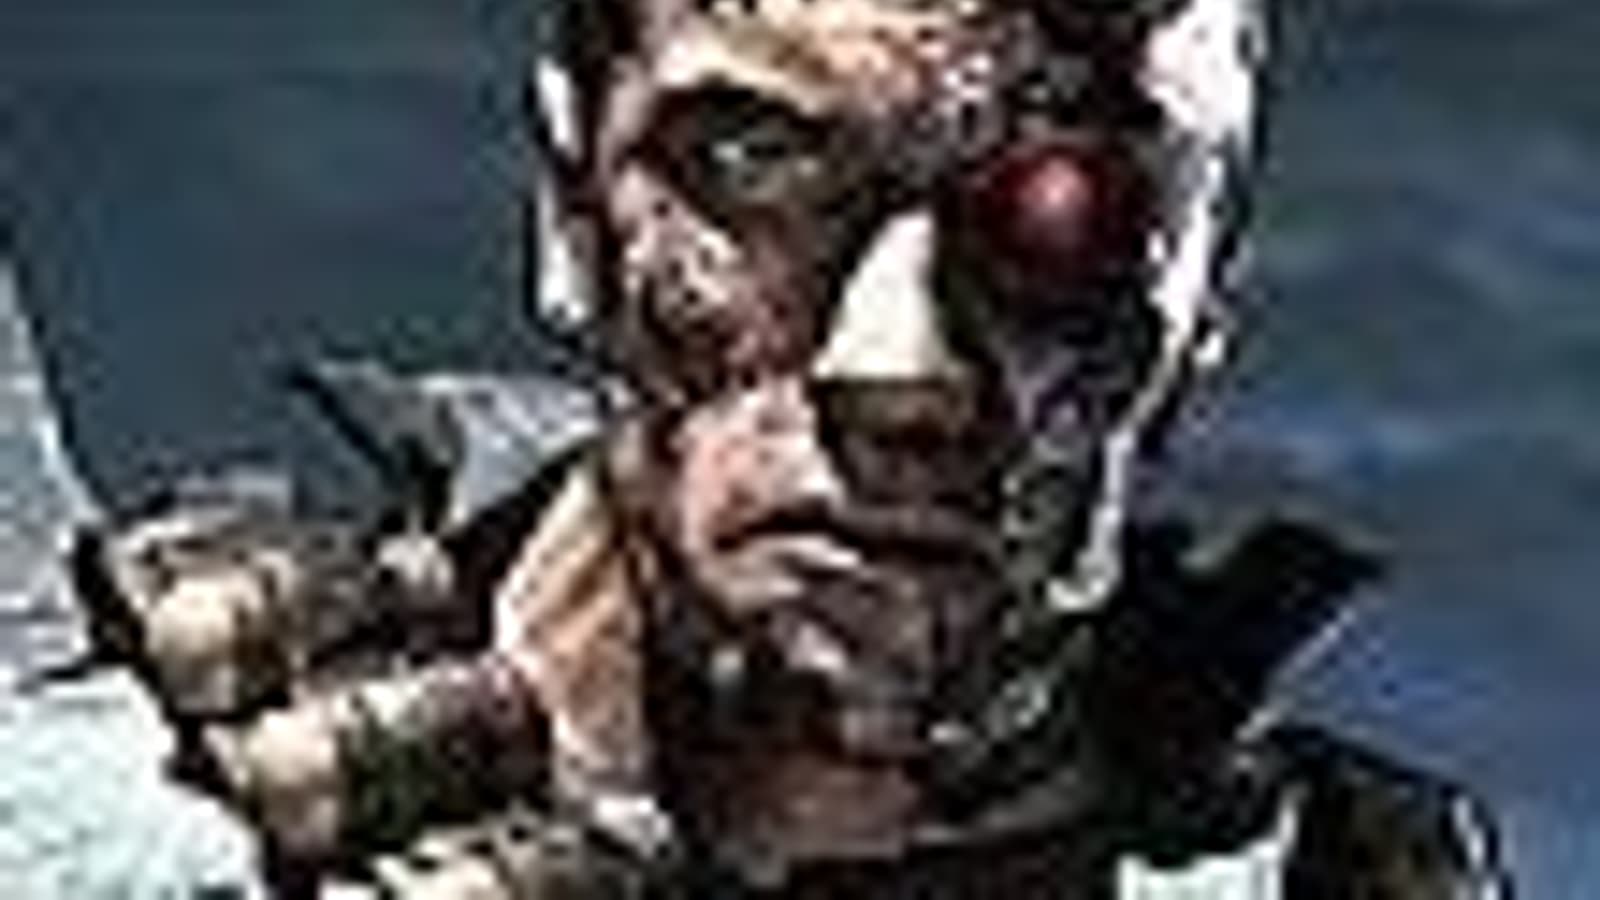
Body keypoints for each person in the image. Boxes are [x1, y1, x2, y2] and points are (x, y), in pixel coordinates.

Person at [65, 0, 1509, 895]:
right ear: (571, 211)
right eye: (753, 165)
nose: (900, 370)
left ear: (1195, 312)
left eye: (1065, 221)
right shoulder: (116, 810)